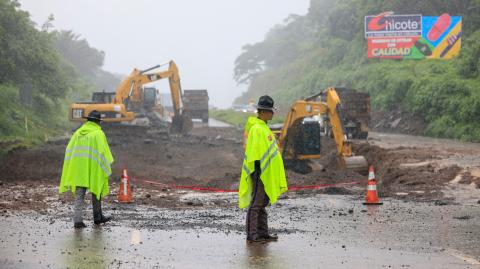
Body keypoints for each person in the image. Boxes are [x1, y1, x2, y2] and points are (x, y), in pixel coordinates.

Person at [239, 95, 288, 243]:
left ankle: (263, 233)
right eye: (271, 111)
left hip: (267, 173)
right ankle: (252, 234)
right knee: (256, 204)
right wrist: (260, 172)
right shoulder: (257, 129)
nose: (273, 113)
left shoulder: (264, 127)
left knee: (262, 203)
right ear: (263, 112)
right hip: (260, 172)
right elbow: (255, 153)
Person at [59, 110, 114, 228]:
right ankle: (98, 218)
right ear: (98, 122)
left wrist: (73, 164)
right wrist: (105, 166)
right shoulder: (98, 134)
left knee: (79, 195)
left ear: (88, 120)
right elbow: (104, 153)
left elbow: (69, 149)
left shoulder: (78, 133)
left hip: (79, 169)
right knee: (96, 191)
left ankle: (78, 221)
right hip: (94, 168)